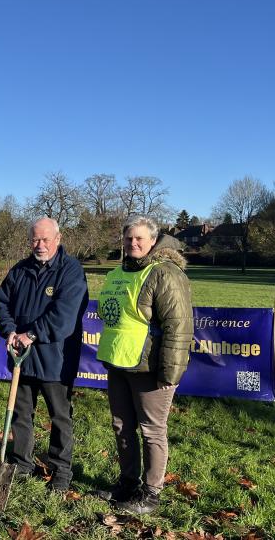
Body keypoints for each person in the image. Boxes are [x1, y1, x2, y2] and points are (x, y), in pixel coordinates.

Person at [95, 214, 193, 515]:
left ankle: (151, 495)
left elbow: (179, 326)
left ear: (153, 241)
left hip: (150, 369)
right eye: (128, 238)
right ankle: (128, 484)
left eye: (139, 238)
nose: (133, 243)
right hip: (119, 363)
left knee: (152, 431)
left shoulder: (165, 273)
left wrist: (170, 373)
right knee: (121, 427)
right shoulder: (119, 272)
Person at [0, 217, 88, 492]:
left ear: (58, 239)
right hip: (21, 357)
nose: (40, 245)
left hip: (56, 360)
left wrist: (32, 334)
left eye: (46, 239)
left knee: (59, 417)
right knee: (22, 414)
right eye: (35, 239)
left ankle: (61, 472)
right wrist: (10, 331)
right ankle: (22, 463)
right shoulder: (20, 270)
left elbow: (64, 316)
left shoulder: (71, 271)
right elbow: (2, 304)